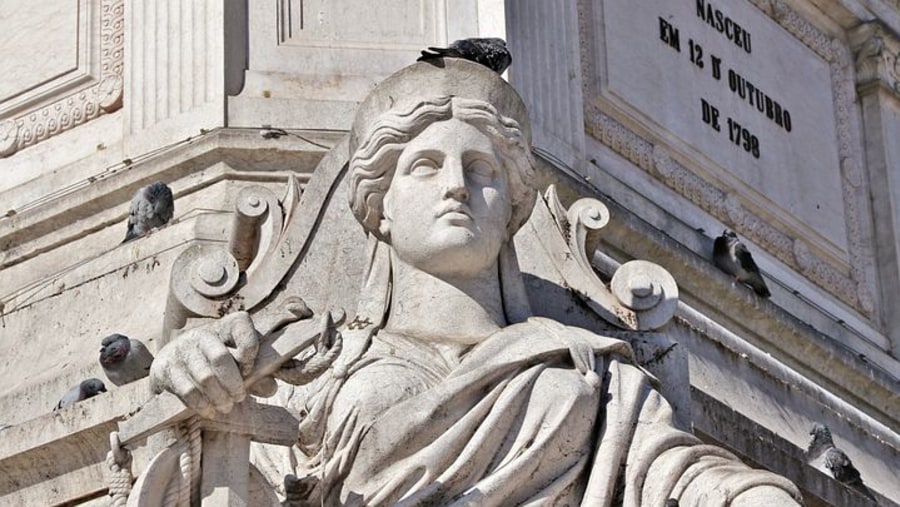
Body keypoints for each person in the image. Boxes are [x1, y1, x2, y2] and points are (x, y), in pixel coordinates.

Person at [151, 60, 802, 506]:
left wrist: (750, 493)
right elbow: (234, 479)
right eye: (426, 166)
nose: (458, 185)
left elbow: (672, 472)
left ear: (514, 200)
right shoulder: (310, 362)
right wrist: (188, 392)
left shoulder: (593, 368)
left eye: (482, 167)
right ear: (380, 206)